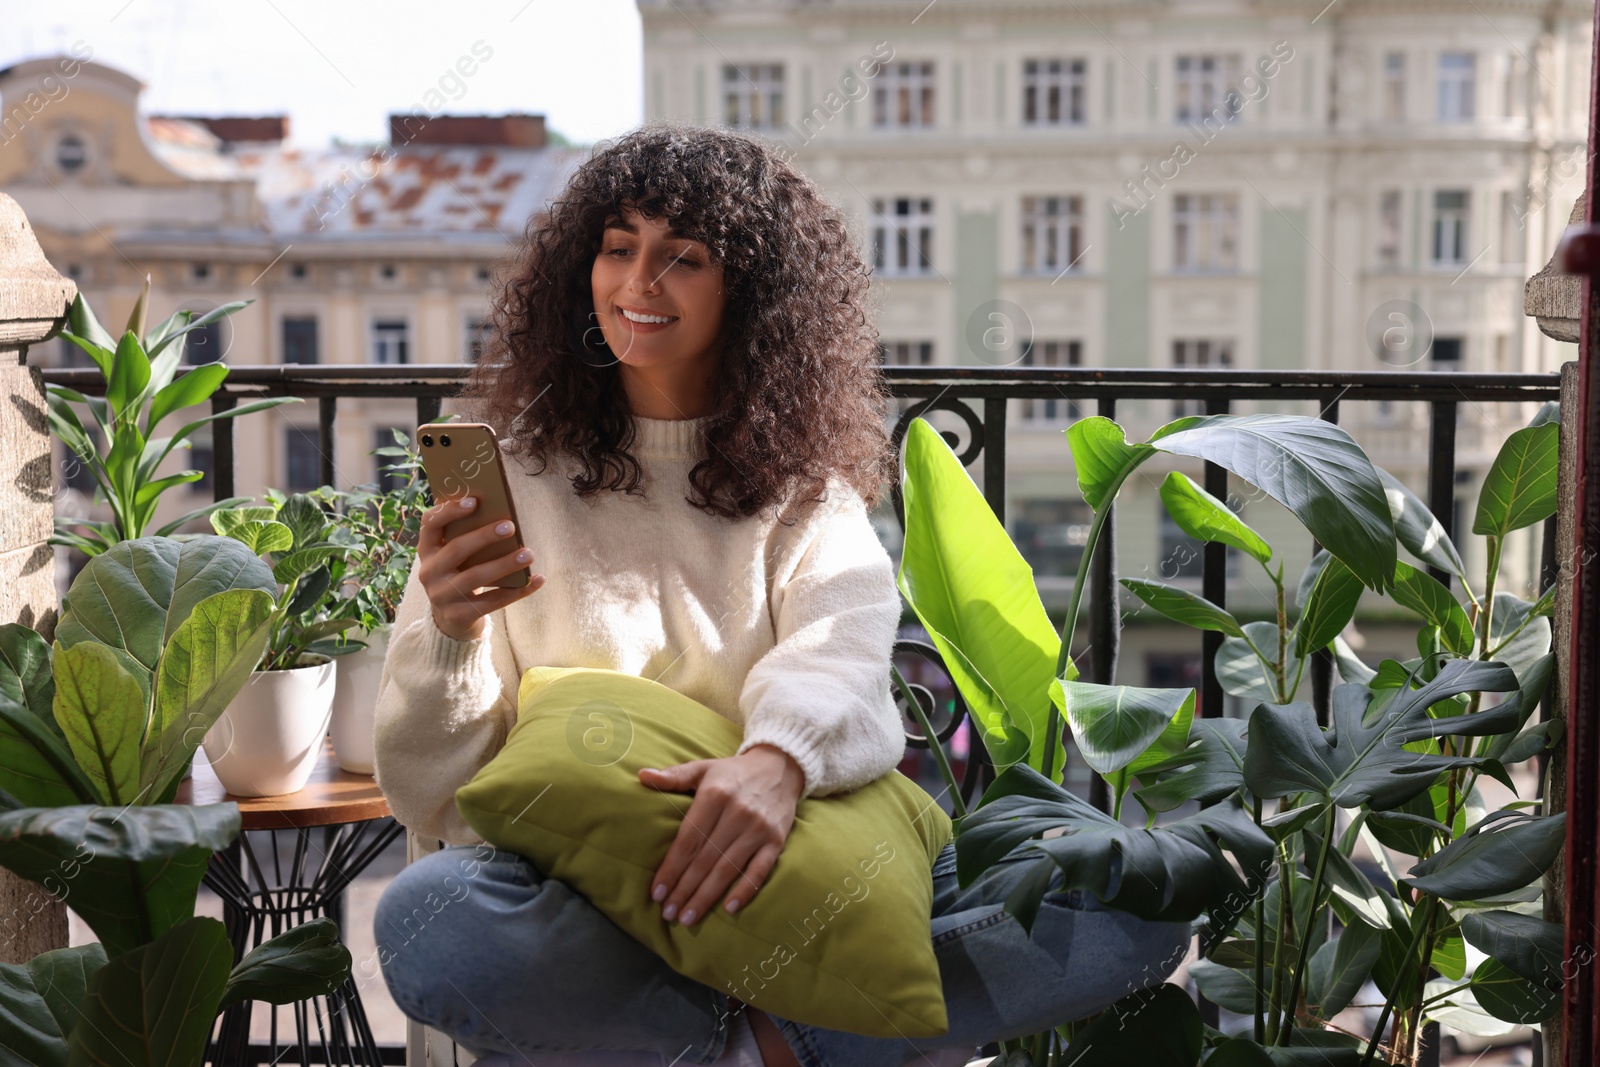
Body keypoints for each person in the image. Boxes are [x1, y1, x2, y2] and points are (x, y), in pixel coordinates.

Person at [370, 122, 1189, 1067]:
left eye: (682, 257)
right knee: (432, 916)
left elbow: (840, 656)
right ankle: (774, 1047)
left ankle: (726, 1047)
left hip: (798, 878)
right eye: (617, 247)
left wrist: (776, 761)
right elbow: (428, 791)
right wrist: (453, 631)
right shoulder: (514, 480)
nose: (637, 283)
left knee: (1133, 895)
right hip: (584, 908)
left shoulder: (806, 496)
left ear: (750, 291)